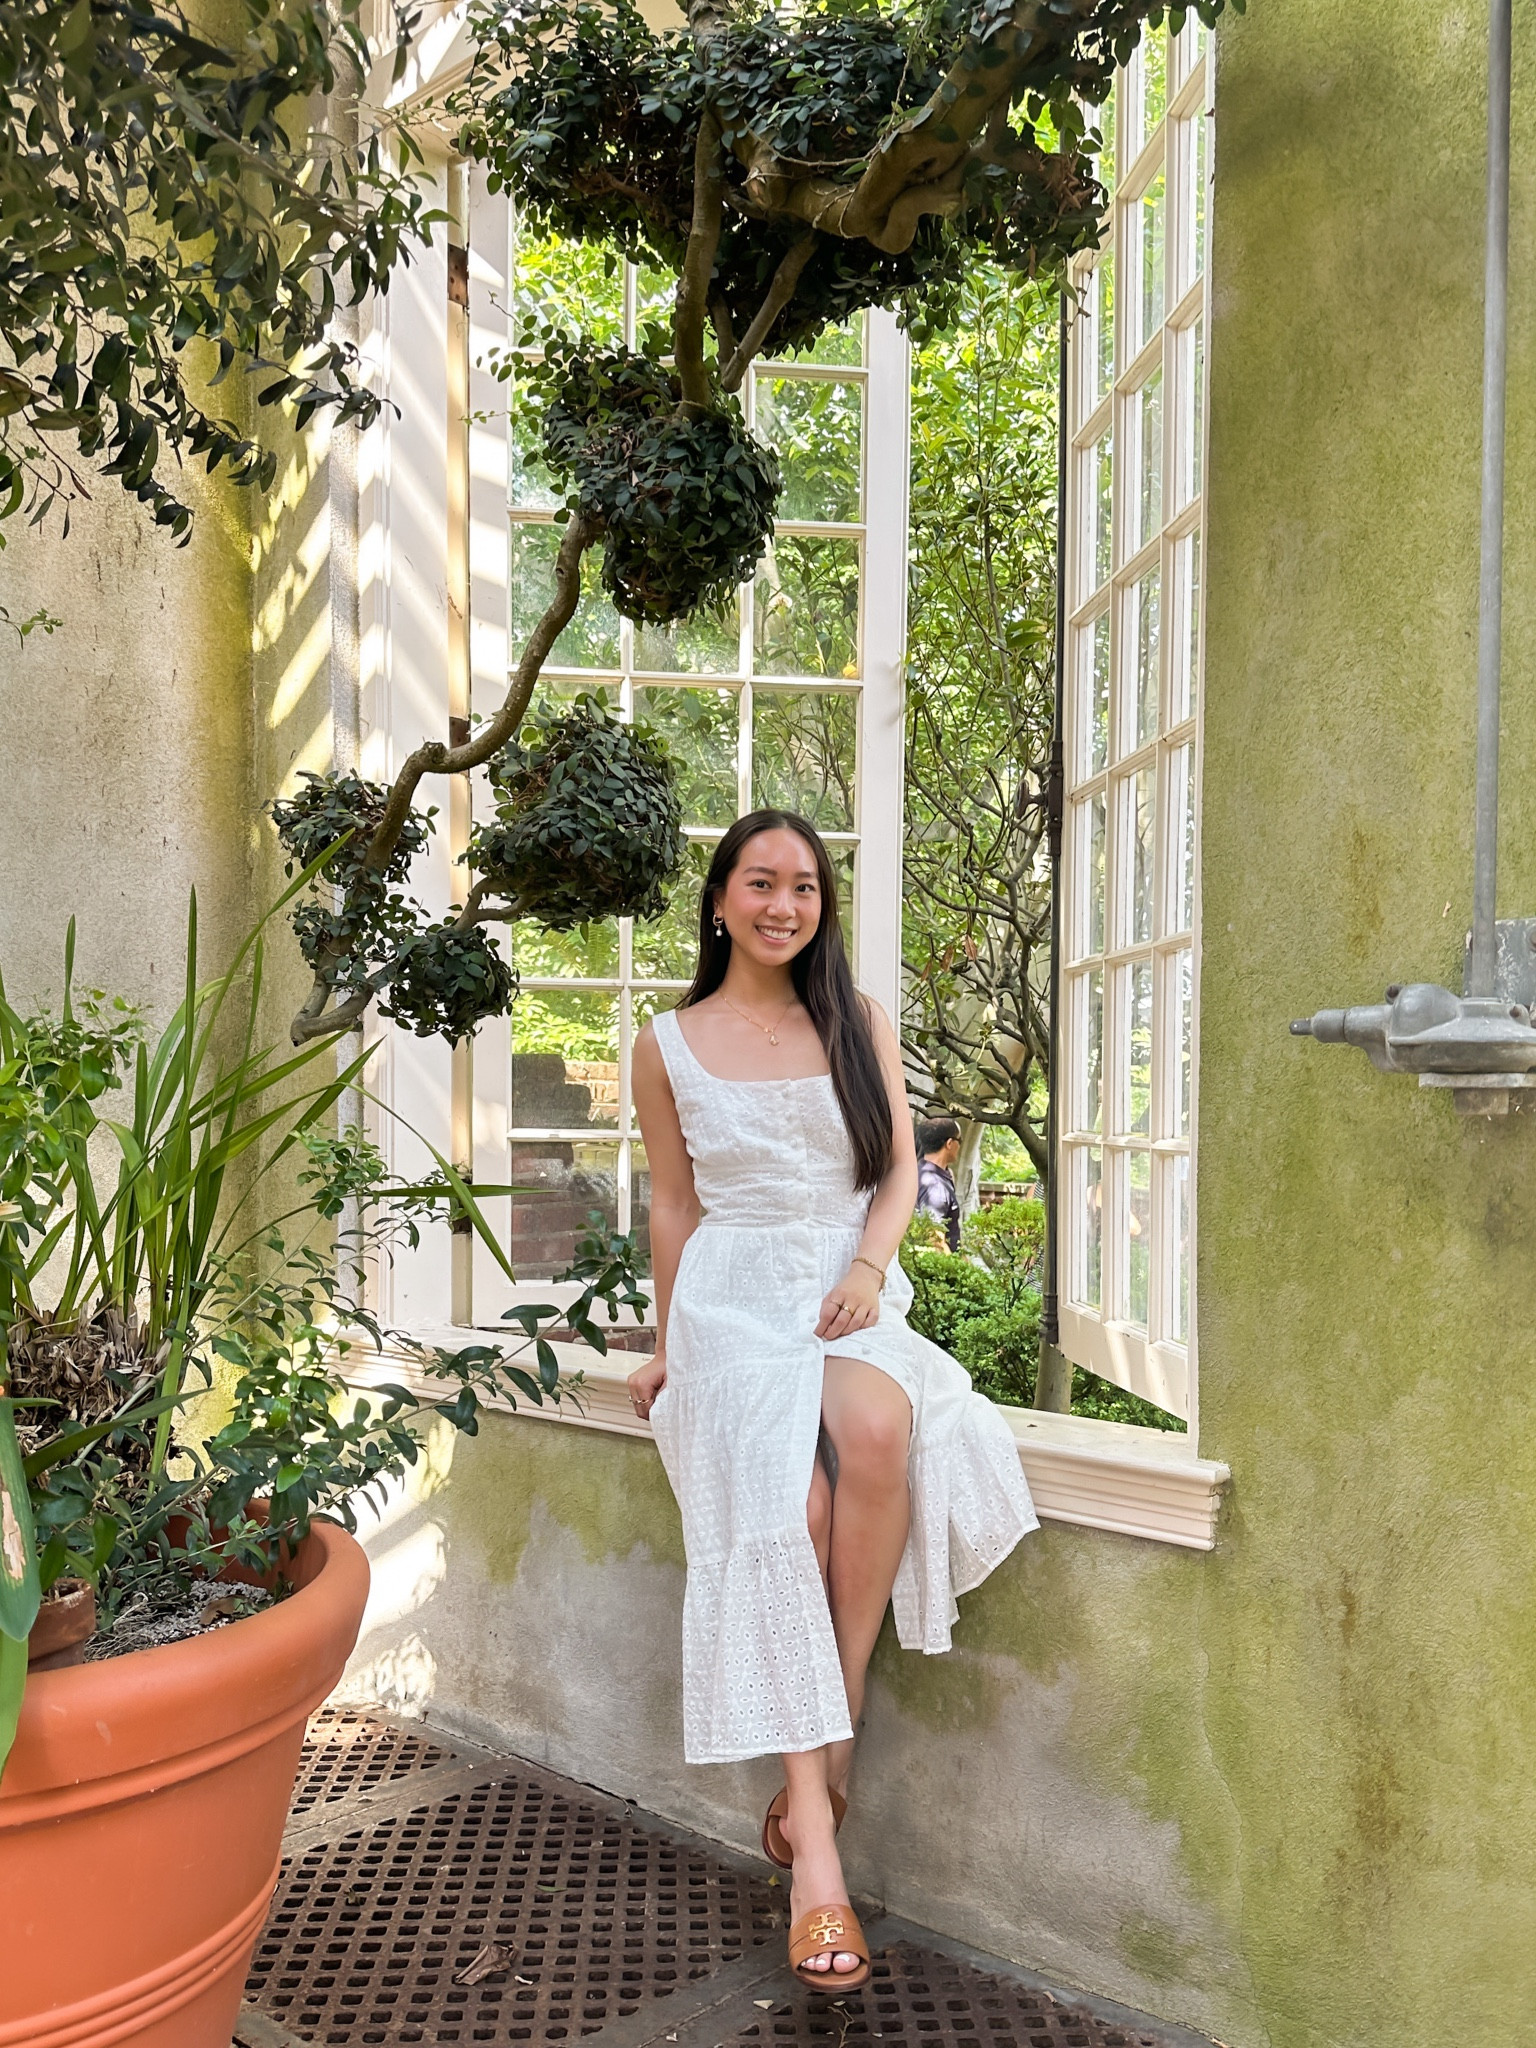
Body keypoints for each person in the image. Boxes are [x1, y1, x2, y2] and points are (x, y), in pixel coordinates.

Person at [627, 808, 1038, 1994]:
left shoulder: (856, 1018)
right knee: (792, 1515)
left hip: (842, 1289)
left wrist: (867, 1269)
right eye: (761, 882)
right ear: (720, 899)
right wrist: (668, 1344)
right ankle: (817, 1838)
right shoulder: (668, 1041)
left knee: (879, 1426)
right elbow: (671, 1205)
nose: (784, 904)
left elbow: (900, 1167)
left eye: (805, 886)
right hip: (730, 1301)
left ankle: (826, 1726)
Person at [914, 1116, 962, 1252]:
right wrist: (960, 1268)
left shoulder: (919, 1171)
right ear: (949, 1143)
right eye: (960, 1141)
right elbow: (934, 1240)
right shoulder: (935, 1186)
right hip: (941, 1268)